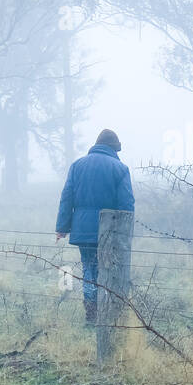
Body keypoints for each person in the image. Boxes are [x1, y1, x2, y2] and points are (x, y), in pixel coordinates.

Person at [56, 129, 135, 323]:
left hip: (83, 229)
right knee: (107, 271)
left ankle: (91, 314)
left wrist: (62, 228)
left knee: (89, 269)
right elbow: (127, 205)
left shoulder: (77, 165)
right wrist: (125, 233)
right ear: (113, 148)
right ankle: (105, 314)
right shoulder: (120, 169)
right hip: (109, 232)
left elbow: (67, 198)